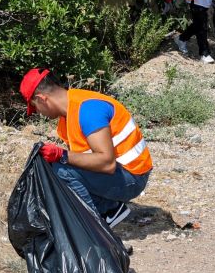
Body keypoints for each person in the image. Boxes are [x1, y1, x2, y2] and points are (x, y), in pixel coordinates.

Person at [20, 68, 152, 228]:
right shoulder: (68, 115)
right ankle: (109, 209)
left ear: (42, 99)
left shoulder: (87, 111)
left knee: (62, 171)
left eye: (35, 108)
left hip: (132, 177)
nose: (39, 113)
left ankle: (94, 228)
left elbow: (107, 163)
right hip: (121, 173)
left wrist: (62, 155)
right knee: (58, 168)